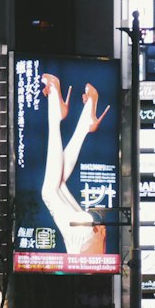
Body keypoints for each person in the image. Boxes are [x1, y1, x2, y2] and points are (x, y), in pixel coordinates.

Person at [40, 73, 110, 256]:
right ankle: (55, 105)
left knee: (58, 183)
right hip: (81, 239)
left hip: (86, 231)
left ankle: (87, 117)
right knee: (48, 192)